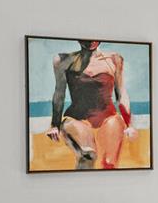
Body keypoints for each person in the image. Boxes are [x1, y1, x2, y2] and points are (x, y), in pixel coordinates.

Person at [47, 39, 133, 169]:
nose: (91, 42)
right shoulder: (63, 60)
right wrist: (55, 124)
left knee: (109, 164)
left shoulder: (114, 59)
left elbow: (121, 94)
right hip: (76, 118)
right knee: (88, 155)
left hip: (109, 117)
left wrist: (129, 124)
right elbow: (59, 93)